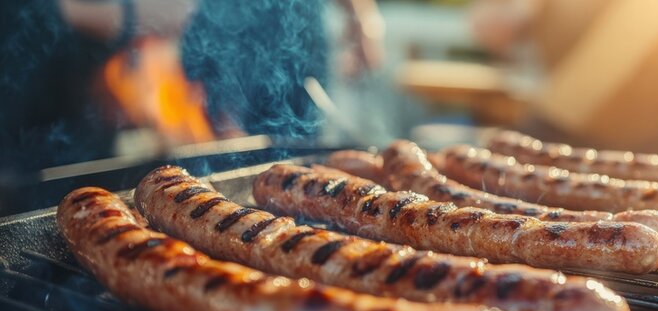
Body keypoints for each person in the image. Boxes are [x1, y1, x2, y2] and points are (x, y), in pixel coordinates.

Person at [0, 0, 382, 173]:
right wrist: (124, 12)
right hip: (31, 83)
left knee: (288, 163)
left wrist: (359, 11)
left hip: (273, 34)